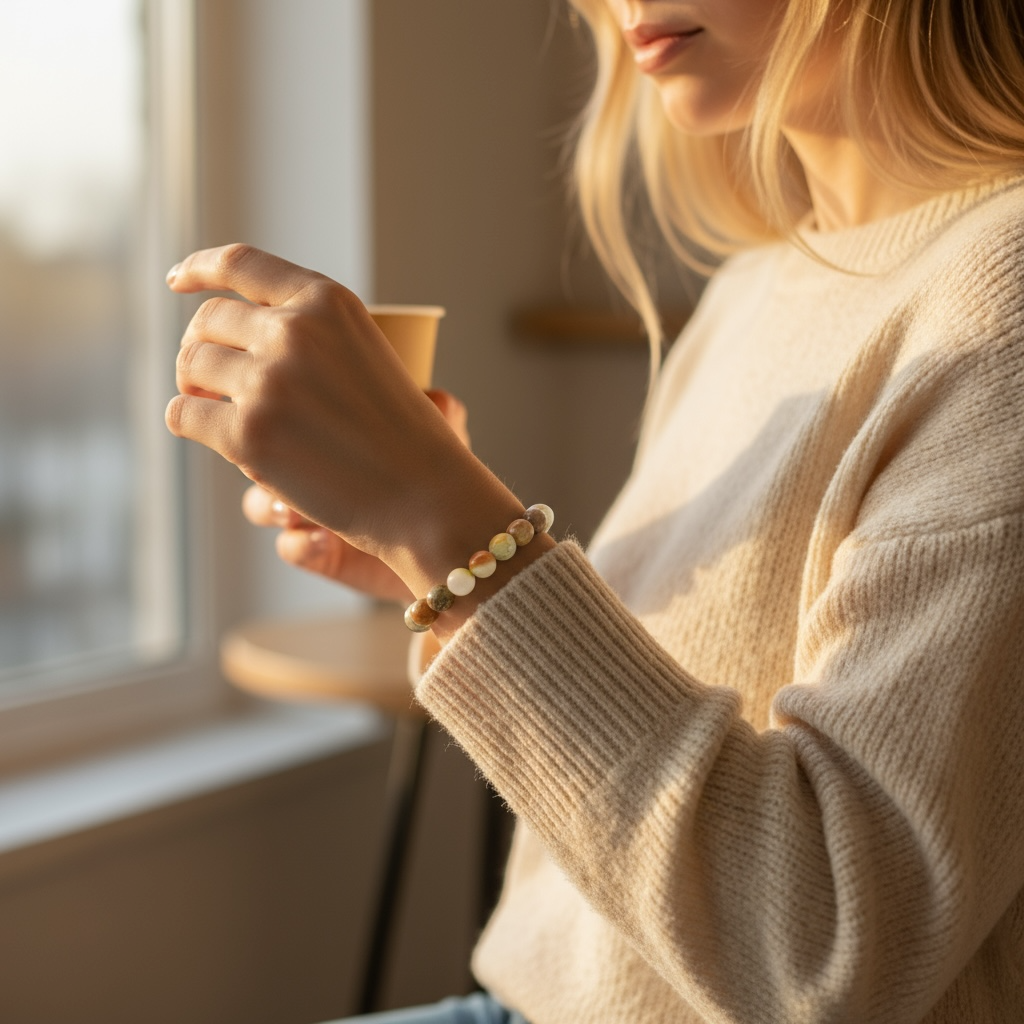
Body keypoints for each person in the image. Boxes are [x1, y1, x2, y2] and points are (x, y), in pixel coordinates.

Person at [165, 0, 1024, 1020]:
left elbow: (827, 948)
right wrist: (426, 559)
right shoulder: (755, 285)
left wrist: (441, 517)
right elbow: (705, 677)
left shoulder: (999, 302)